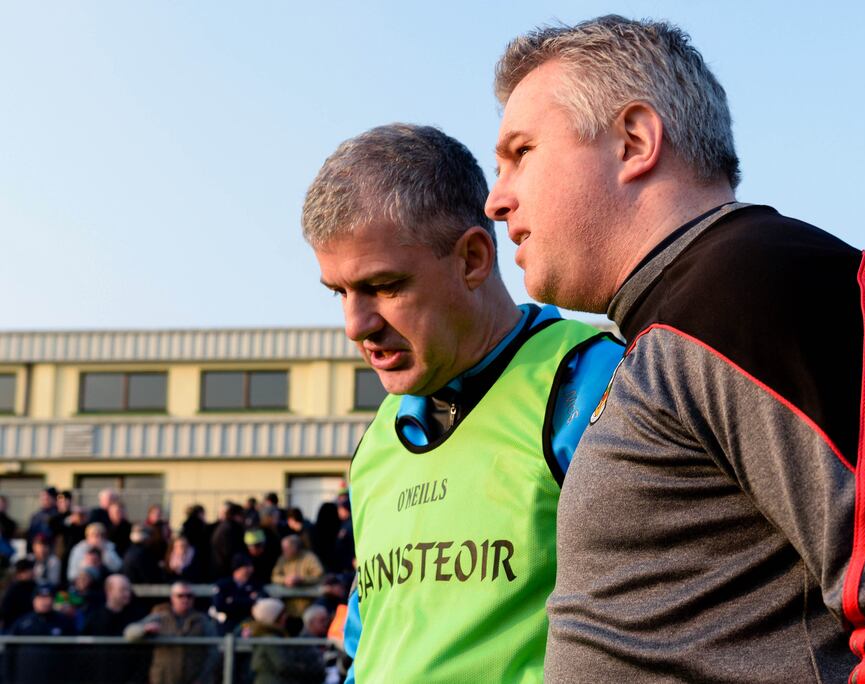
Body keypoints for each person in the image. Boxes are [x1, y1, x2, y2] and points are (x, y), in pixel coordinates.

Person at [485, 15, 865, 681]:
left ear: (632, 140)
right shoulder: (679, 321)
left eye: (521, 153)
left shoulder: (758, 284)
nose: (495, 199)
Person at [301, 123, 622, 682]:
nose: (357, 326)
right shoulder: (379, 437)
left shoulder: (592, 384)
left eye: (384, 285)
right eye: (340, 293)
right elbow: (370, 642)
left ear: (473, 258)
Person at [124, 581, 219, 684]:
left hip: (194, 679)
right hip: (164, 679)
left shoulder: (202, 620)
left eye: (189, 596)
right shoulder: (160, 617)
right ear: (172, 597)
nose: (185, 599)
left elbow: (213, 651)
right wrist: (144, 630)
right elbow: (129, 632)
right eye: (180, 596)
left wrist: (202, 678)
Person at [248, 597, 326, 684]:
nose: (286, 616)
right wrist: (305, 668)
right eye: (282, 614)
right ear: (274, 618)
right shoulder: (270, 640)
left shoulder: (274, 637)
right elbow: (283, 665)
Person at [212, 553, 263, 632]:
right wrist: (247, 600)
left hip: (247, 623)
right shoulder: (223, 584)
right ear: (238, 568)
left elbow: (258, 603)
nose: (251, 569)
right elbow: (219, 606)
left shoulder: (255, 584)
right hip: (226, 623)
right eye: (247, 566)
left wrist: (232, 600)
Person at [0, 559, 37, 630]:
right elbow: (5, 611)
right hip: (15, 627)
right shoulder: (13, 590)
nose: (32, 572)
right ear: (20, 573)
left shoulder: (35, 586)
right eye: (29, 570)